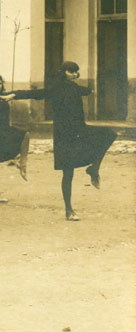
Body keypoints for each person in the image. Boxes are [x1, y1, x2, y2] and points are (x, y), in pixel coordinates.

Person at [32, 61, 116, 221]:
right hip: (64, 135)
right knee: (68, 173)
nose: (74, 74)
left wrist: (90, 89)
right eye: (71, 72)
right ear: (63, 72)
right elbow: (37, 94)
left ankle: (93, 168)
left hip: (79, 130)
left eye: (76, 72)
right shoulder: (56, 88)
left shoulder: (75, 87)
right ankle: (69, 209)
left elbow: (85, 91)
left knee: (109, 135)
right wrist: (14, 94)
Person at [0, 73, 37, 202]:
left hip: (5, 130)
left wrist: (13, 96)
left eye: (0, 83)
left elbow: (20, 92)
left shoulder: (4, 96)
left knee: (25, 135)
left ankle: (22, 163)